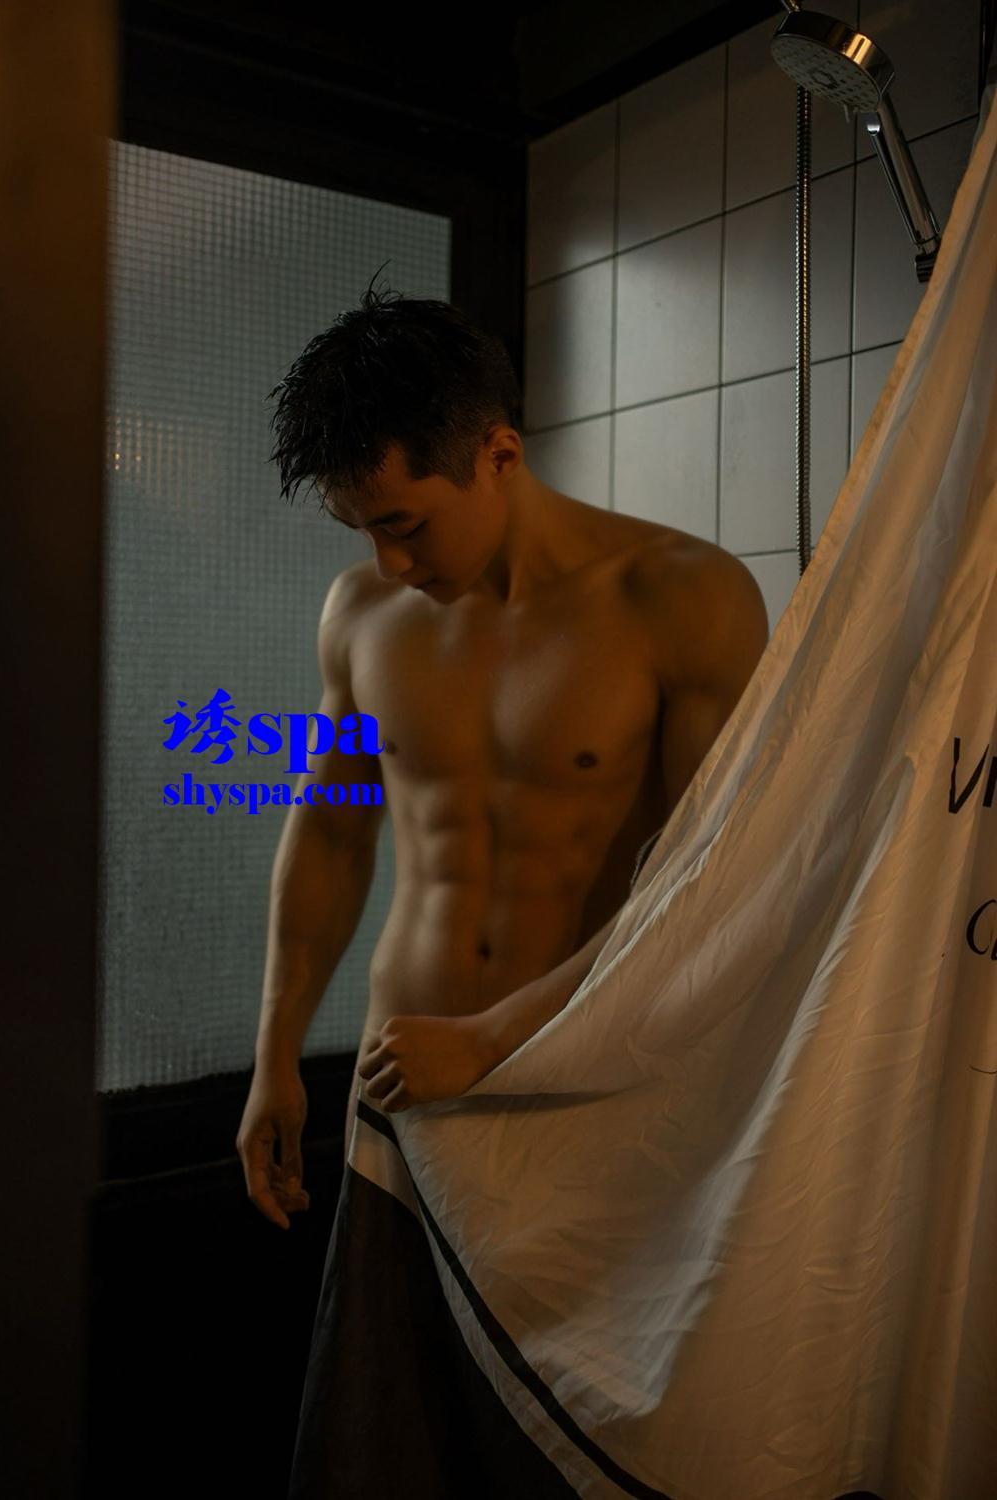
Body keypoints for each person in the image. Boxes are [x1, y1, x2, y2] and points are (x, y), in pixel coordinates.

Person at [235, 268, 769, 1232]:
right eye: (361, 531)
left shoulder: (682, 597)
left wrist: (489, 1039)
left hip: (581, 1074)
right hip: (400, 1078)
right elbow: (331, 835)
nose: (387, 563)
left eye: (404, 524)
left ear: (499, 454)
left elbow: (711, 881)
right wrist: (275, 1055)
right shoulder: (360, 615)